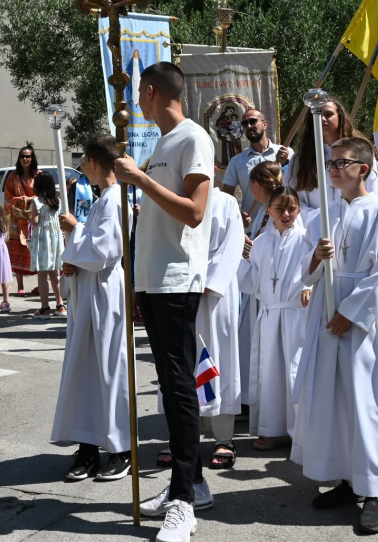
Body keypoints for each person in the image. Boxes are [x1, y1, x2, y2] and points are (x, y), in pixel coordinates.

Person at [116, 62, 215, 540]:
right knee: (171, 386)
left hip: (177, 281)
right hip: (155, 281)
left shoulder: (193, 139)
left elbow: (194, 212)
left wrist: (141, 181)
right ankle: (187, 484)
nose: (136, 100)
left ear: (152, 91)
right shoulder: (161, 144)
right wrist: (138, 283)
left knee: (178, 388)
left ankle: (185, 500)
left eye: (139, 92)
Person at [291, 135, 378, 535]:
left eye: (341, 163)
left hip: (358, 321)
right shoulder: (328, 211)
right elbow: (305, 269)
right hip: (327, 314)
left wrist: (350, 313)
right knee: (334, 400)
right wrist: (315, 259)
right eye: (331, 163)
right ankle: (346, 478)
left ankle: (373, 492)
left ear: (363, 169)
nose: (333, 170)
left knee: (364, 402)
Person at [52, 134, 132, 483]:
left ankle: (121, 448)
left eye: (84, 160)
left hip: (105, 294)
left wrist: (75, 230)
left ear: (95, 162)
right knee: (86, 370)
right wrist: (73, 261)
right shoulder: (103, 199)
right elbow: (89, 252)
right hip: (87, 293)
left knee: (110, 370)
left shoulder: (115, 200)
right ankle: (88, 445)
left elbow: (103, 252)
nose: (82, 166)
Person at [238, 185, 311, 451]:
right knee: (269, 375)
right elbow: (251, 281)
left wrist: (309, 287)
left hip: (295, 315)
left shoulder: (306, 240)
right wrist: (236, 257)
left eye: (291, 208)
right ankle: (273, 429)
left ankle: (299, 432)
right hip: (270, 315)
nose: (286, 214)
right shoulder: (261, 243)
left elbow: (314, 270)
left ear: (299, 210)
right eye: (280, 208)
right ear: (268, 210)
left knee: (294, 372)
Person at [196, 188, 245, 470]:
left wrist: (209, 281)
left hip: (217, 291)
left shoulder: (226, 202)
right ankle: (183, 436)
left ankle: (224, 437)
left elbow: (233, 245)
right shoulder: (174, 196)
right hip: (181, 286)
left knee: (220, 357)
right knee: (183, 360)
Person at [285, 97, 378, 221]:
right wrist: (322, 217)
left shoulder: (360, 153)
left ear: (340, 117)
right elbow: (291, 198)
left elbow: (376, 192)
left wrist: (354, 217)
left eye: (328, 114)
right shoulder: (300, 159)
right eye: (316, 115)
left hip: (356, 223)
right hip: (315, 226)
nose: (322, 119)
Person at [220, 109, 294, 229]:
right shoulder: (236, 161)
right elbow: (226, 197)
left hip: (283, 226)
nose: (249, 126)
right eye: (245, 124)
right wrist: (236, 217)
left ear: (265, 124)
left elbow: (296, 186)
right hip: (253, 229)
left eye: (253, 121)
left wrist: (285, 163)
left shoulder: (286, 152)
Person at [28, 171, 66, 319]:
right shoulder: (58, 201)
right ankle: (60, 305)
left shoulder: (36, 201)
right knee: (55, 273)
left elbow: (35, 221)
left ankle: (45, 308)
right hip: (55, 239)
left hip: (43, 239)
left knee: (42, 274)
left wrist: (29, 216)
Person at [3, 146, 38, 297]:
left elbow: (43, 195)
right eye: (22, 156)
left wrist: (29, 199)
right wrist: (18, 200)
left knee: (36, 250)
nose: (25, 159)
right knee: (18, 251)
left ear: (32, 158)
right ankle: (20, 286)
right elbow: (7, 197)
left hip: (34, 218)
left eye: (28, 156)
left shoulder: (38, 175)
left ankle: (39, 284)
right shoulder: (13, 176)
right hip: (17, 219)